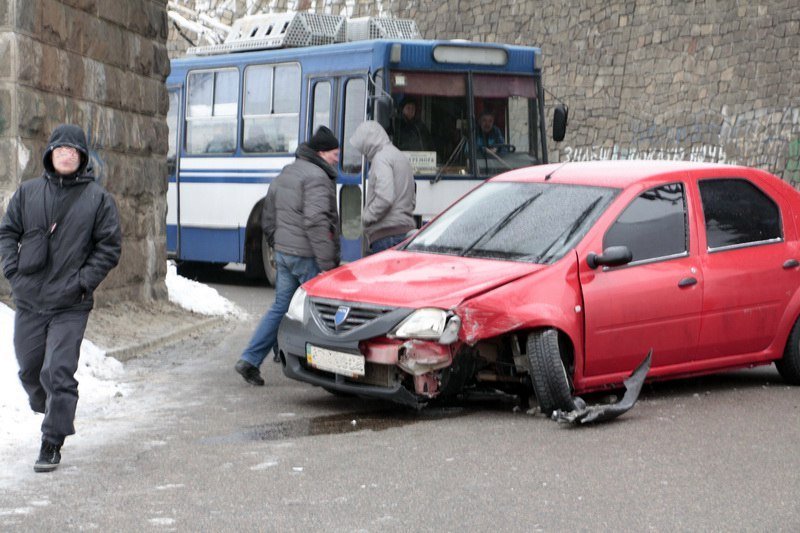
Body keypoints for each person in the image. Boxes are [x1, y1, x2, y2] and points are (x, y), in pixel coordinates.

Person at [0, 124, 122, 473]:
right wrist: (12, 271)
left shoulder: (99, 199)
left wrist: (83, 281)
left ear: (82, 157)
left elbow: (109, 247)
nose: (67, 153)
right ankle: (50, 405)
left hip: (71, 302)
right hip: (30, 299)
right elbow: (7, 232)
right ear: (50, 153)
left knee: (58, 371)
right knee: (30, 369)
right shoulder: (28, 192)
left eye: (74, 149)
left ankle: (52, 440)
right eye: (61, 148)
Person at [235, 126, 341, 385]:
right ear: (321, 152)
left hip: (285, 253)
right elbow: (316, 222)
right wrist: (327, 265)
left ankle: (250, 359)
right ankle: (325, 370)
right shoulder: (316, 177)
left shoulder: (287, 172)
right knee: (318, 312)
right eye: (334, 153)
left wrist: (278, 244)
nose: (338, 158)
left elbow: (267, 217)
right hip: (307, 256)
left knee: (281, 308)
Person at [350, 121, 416, 254]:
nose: (364, 153)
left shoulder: (381, 159)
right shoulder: (399, 156)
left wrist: (366, 217)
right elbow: (412, 199)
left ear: (368, 142)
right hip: (404, 230)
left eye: (363, 148)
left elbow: (385, 198)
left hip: (386, 235)